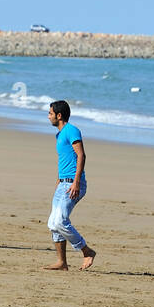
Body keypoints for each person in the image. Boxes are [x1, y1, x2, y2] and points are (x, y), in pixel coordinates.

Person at [45, 100, 97, 271]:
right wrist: (59, 181)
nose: (48, 116)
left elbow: (81, 156)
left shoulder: (72, 131)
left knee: (60, 220)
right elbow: (65, 160)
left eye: (50, 113)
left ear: (59, 116)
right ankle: (62, 262)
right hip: (63, 183)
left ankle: (86, 251)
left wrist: (75, 182)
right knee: (53, 223)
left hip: (75, 183)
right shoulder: (59, 135)